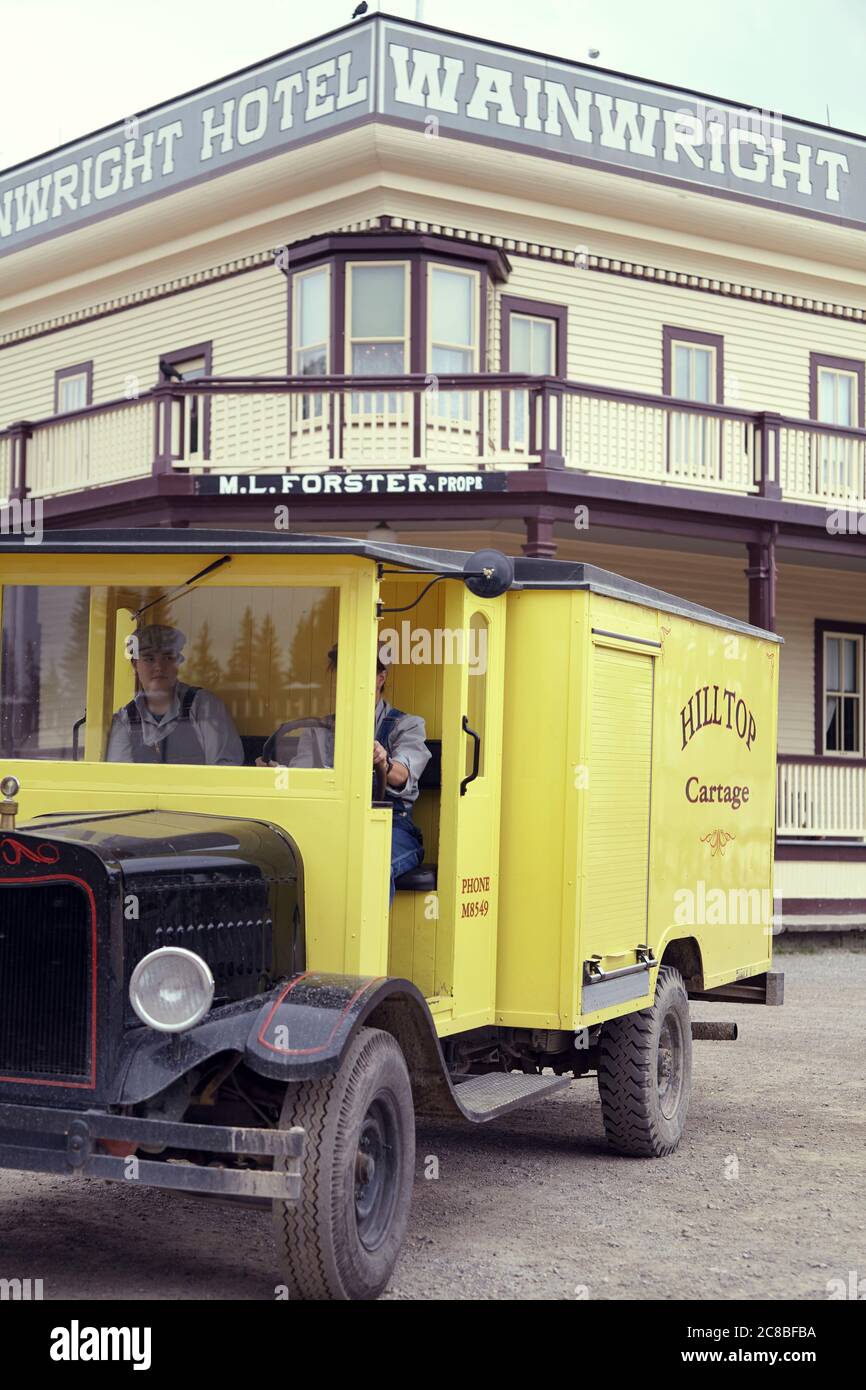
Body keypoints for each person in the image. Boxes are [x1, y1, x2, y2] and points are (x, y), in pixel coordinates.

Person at [262, 643, 430, 901]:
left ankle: (369, 941)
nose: (349, 679)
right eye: (343, 671)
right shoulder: (317, 728)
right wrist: (277, 773)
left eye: (358, 670)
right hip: (327, 823)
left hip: (391, 828)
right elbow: (301, 776)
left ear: (380, 678)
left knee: (371, 863)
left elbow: (403, 774)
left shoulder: (406, 725)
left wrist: (383, 762)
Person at [105, 623, 243, 765]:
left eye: (168, 658)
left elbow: (226, 768)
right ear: (135, 664)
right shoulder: (124, 721)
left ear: (177, 662)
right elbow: (119, 778)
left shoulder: (205, 707)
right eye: (149, 659)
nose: (159, 667)